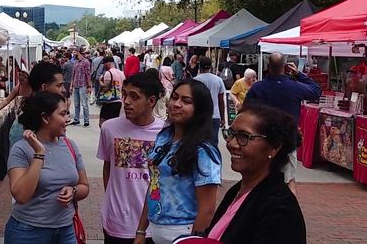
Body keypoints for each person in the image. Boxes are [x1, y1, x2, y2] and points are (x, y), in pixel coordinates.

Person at [135, 80, 222, 244]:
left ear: (200, 109)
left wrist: (193, 240)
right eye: (174, 98)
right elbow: (155, 184)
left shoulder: (203, 151)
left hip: (184, 231)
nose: (176, 104)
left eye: (186, 101)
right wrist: (141, 230)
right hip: (154, 231)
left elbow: (207, 209)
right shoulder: (163, 138)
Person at [206, 105, 305, 243]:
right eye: (231, 134)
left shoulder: (279, 208)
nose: (232, 144)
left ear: (274, 147)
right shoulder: (238, 191)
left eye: (244, 136)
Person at [5, 92, 90, 243]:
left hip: (66, 230)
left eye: (68, 113)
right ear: (45, 118)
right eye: (63, 114)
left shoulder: (70, 146)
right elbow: (21, 196)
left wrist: (73, 190)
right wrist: (39, 154)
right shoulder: (21, 149)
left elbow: (84, 186)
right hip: (28, 231)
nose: (67, 119)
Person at [97, 73, 164, 244]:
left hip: (153, 224)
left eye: (134, 97)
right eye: (125, 94)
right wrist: (112, 200)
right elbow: (108, 166)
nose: (126, 101)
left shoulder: (166, 132)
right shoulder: (109, 128)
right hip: (117, 223)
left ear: (151, 101)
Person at [244, 52, 321, 195]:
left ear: (268, 67)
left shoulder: (258, 88)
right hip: (287, 139)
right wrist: (299, 74)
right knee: (289, 179)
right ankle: (290, 211)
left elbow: (246, 111)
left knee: (260, 177)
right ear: (285, 67)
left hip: (263, 138)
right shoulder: (294, 87)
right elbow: (316, 91)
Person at [194, 57, 227, 145]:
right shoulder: (218, 80)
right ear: (211, 66)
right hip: (215, 115)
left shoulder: (196, 80)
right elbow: (221, 100)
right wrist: (223, 117)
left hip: (200, 115)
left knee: (199, 142)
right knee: (213, 142)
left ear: (200, 66)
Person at [97, 55, 125, 127]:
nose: (104, 66)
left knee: (102, 123)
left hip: (109, 101)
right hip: (119, 100)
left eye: (104, 64)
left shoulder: (108, 73)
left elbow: (106, 88)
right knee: (114, 123)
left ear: (108, 63)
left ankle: (106, 136)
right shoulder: (121, 73)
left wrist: (100, 82)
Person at [70, 48, 92, 126]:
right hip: (76, 84)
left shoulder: (85, 62)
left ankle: (86, 120)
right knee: (76, 104)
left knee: (84, 103)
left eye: (74, 51)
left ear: (78, 52)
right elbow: (73, 74)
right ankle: (76, 119)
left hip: (83, 84)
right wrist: (71, 85)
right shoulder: (75, 62)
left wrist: (89, 86)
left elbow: (88, 74)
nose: (73, 53)